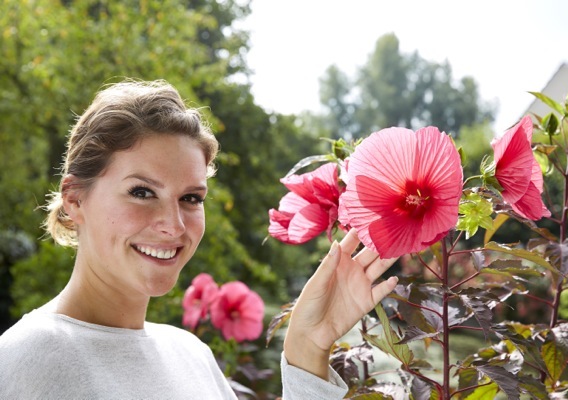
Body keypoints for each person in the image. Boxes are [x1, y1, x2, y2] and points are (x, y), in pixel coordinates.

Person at [0, 79, 398, 399]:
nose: (173, 225)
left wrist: (307, 348)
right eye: (142, 192)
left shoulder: (190, 354)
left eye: (190, 198)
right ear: (75, 200)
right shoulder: (31, 358)